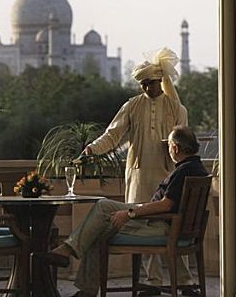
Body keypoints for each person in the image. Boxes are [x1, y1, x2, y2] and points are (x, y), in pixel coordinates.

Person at [42, 125, 208, 297]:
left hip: (161, 225)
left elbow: (165, 205)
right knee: (102, 210)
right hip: (165, 223)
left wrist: (130, 213)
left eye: (168, 147)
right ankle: (70, 255)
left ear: (175, 147)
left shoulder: (183, 171)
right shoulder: (196, 169)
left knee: (99, 221)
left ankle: (74, 264)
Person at [82, 47, 188, 290]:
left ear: (161, 81)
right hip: (139, 174)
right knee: (143, 225)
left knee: (172, 226)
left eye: (151, 83)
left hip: (167, 174)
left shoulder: (177, 108)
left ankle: (184, 281)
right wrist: (92, 149)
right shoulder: (132, 106)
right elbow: (113, 135)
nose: (146, 88)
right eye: (143, 83)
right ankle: (152, 283)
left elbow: (183, 143)